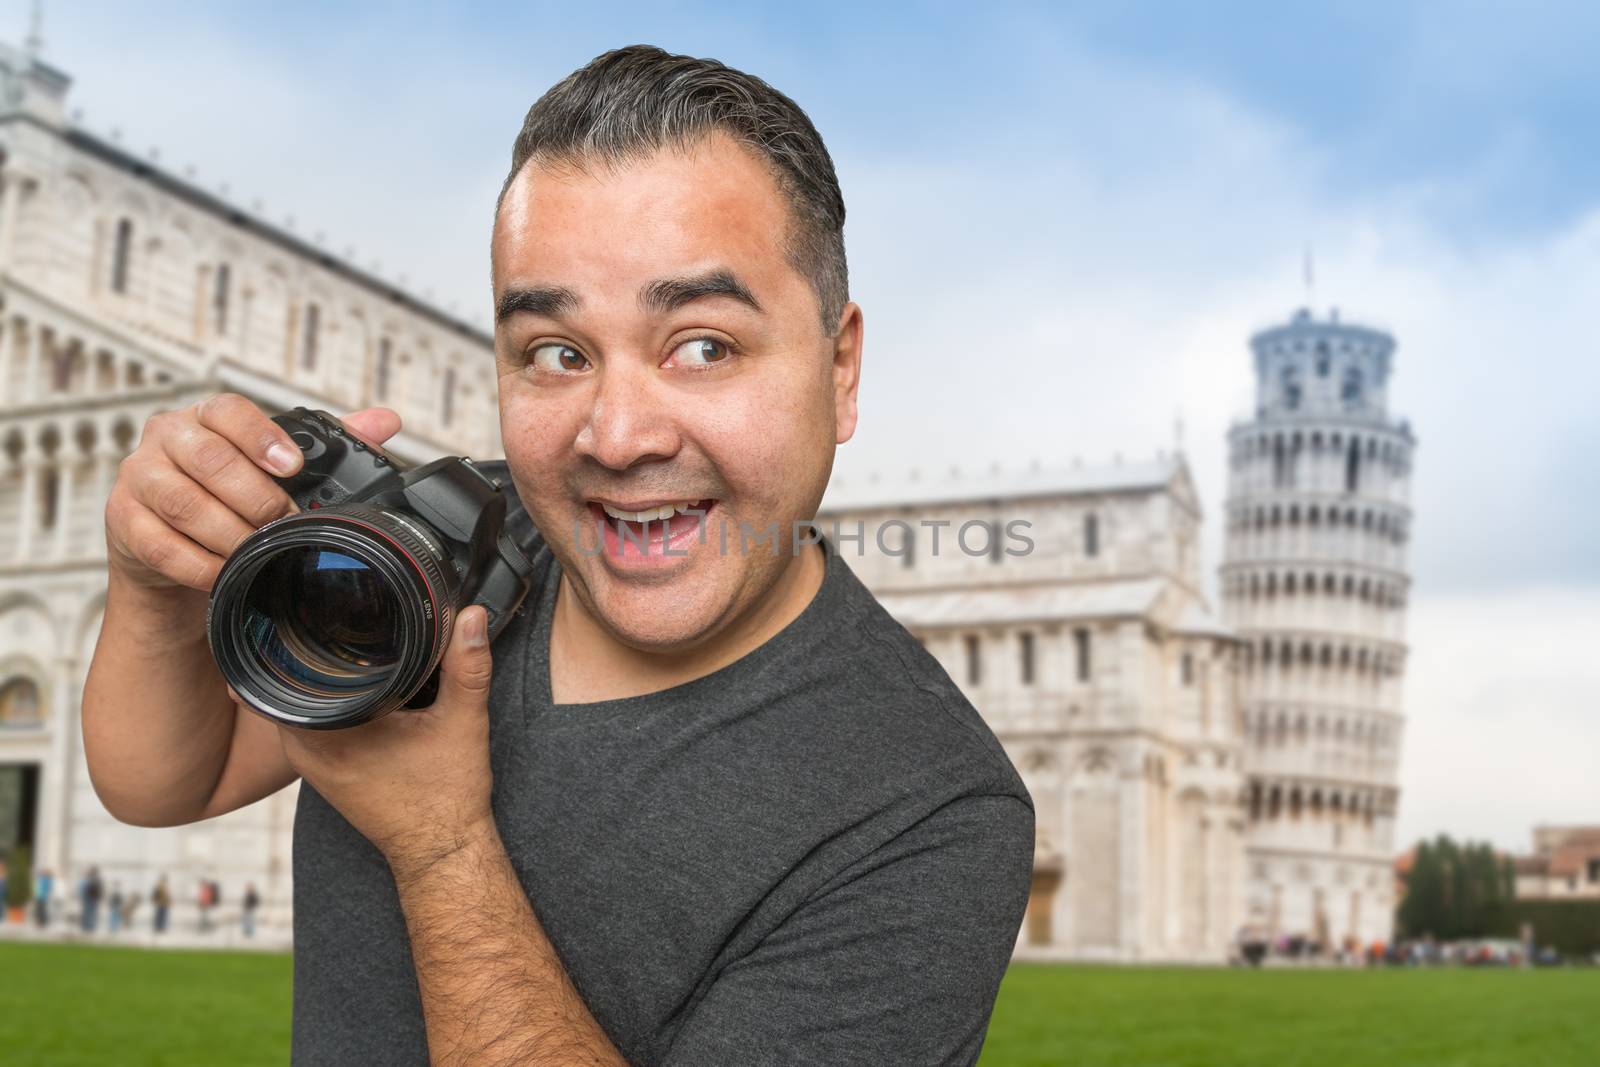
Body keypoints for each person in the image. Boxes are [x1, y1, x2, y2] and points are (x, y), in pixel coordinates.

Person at [80, 44, 1033, 1066]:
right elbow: (164, 780)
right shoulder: (446, 548)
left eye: (702, 345)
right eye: (556, 354)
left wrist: (442, 842)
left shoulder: (927, 809)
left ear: (838, 368)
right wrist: (153, 584)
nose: (616, 435)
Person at [80, 866, 103, 933]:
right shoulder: (89, 879)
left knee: (91, 913)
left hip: (93, 899)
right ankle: (87, 927)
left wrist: (99, 897)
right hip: (88, 898)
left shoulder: (96, 880)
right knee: (88, 913)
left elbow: (99, 890)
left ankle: (90, 927)